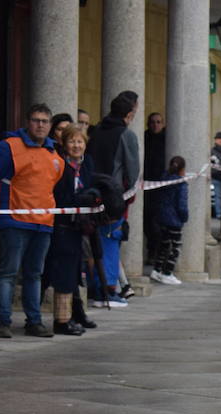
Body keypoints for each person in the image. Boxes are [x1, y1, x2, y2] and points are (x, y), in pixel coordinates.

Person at [0, 102, 64, 338]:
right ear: (27, 123)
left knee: (34, 274)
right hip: (15, 220)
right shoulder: (8, 147)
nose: (40, 125)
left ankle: (34, 321)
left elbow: (53, 185)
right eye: (36, 120)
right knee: (9, 272)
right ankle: (3, 322)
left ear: (50, 125)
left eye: (45, 121)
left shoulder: (54, 154)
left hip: (43, 222)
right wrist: (1, 211)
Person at [45, 122, 102, 336]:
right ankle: (61, 321)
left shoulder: (88, 164)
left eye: (80, 141)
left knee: (74, 270)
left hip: (80, 225)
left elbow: (92, 185)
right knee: (62, 272)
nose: (76, 145)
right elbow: (58, 194)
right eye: (72, 141)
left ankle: (71, 316)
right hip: (61, 224)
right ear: (64, 143)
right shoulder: (59, 164)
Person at [86, 91, 140, 308]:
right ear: (128, 114)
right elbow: (133, 170)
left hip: (91, 193)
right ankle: (107, 292)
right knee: (110, 242)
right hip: (113, 196)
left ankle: (97, 288)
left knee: (96, 242)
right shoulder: (126, 135)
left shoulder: (96, 131)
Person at [150, 155, 188, 286]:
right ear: (182, 170)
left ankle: (157, 269)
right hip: (174, 219)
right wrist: (184, 217)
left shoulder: (164, 179)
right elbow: (182, 204)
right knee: (175, 247)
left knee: (163, 245)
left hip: (162, 217)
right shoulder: (181, 184)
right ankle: (167, 273)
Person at [143, 111, 167, 272]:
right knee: (147, 221)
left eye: (159, 122)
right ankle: (152, 250)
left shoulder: (167, 139)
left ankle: (158, 252)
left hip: (161, 185)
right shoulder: (144, 137)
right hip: (145, 184)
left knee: (158, 223)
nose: (155, 125)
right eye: (153, 122)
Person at [210, 131, 221, 219]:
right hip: (216, 177)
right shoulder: (212, 151)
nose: (220, 141)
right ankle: (219, 213)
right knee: (218, 196)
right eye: (218, 139)